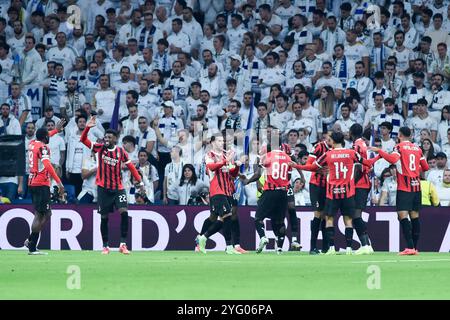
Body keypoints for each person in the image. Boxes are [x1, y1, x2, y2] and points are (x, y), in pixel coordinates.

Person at [293, 131, 372, 255]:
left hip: (332, 190)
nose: (328, 140)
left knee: (328, 218)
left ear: (333, 140)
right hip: (335, 189)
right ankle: (343, 248)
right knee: (341, 218)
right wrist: (379, 156)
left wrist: (297, 166)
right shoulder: (349, 152)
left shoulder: (329, 154)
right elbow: (367, 163)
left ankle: (329, 248)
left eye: (330, 138)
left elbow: (311, 167)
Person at [80, 116, 145, 255]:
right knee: (104, 217)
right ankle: (105, 246)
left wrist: (140, 182)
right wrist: (87, 128)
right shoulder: (100, 148)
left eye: (110, 137)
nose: (107, 139)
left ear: (115, 139)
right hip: (103, 189)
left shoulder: (121, 152)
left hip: (118, 189)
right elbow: (83, 140)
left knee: (124, 212)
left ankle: (123, 245)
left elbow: (132, 168)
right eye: (106, 137)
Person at [370, 127, 430, 255]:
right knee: (414, 217)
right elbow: (425, 167)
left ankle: (410, 247)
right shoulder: (417, 149)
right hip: (416, 187)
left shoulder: (399, 147)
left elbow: (392, 160)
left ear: (400, 135)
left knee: (402, 216)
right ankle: (414, 248)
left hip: (405, 187)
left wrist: (380, 151)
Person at [196, 134, 242, 255]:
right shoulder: (209, 155)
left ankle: (203, 238)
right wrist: (226, 160)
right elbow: (211, 167)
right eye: (219, 141)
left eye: (223, 141)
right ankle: (229, 247)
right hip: (217, 191)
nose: (222, 143)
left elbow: (233, 174)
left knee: (221, 219)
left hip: (227, 191)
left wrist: (236, 165)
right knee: (227, 216)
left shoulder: (226, 156)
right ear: (212, 142)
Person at [25, 122, 65, 255]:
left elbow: (43, 135)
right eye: (48, 136)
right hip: (41, 183)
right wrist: (59, 182)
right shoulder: (44, 147)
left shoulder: (32, 143)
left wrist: (56, 130)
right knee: (41, 214)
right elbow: (47, 165)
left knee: (46, 214)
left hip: (32, 182)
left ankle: (30, 241)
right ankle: (31, 246)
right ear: (45, 138)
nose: (49, 137)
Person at [255, 141, 292, 254]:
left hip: (270, 191)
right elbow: (288, 176)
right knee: (279, 221)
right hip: (283, 193)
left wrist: (247, 180)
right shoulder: (287, 158)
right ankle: (280, 248)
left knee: (258, 218)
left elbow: (258, 173)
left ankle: (263, 237)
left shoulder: (268, 156)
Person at [349, 124, 378, 254]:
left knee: (355, 215)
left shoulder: (357, 146)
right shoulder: (363, 144)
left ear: (351, 133)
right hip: (364, 183)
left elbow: (358, 167)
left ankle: (365, 244)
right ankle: (367, 244)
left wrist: (352, 182)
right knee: (356, 215)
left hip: (359, 184)